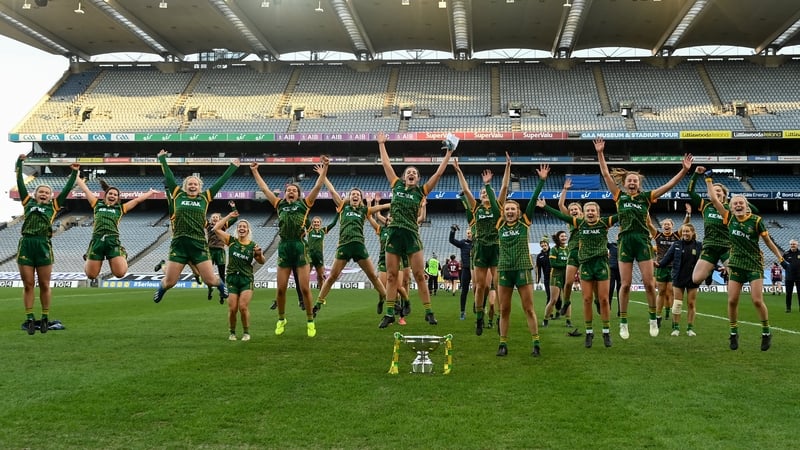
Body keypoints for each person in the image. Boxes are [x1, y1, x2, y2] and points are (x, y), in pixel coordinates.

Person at [595, 138, 692, 339]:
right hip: (625, 241)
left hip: (642, 241)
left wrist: (684, 170)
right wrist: (600, 153)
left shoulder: (646, 197)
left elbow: (668, 185)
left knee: (649, 283)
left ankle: (652, 319)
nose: (632, 182)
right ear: (625, 183)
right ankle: (623, 322)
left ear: (639, 184)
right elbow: (605, 173)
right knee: (625, 284)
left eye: (635, 180)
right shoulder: (618, 196)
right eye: (629, 180)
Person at [376, 131, 454, 328]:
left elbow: (438, 173)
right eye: (408, 172)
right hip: (393, 234)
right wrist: (382, 144)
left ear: (418, 178)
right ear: (404, 177)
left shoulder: (421, 191)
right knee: (392, 277)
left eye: (415, 173)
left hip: (411, 235)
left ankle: (428, 312)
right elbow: (386, 165)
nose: (411, 174)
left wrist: (448, 155)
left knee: (419, 275)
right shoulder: (396, 186)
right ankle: (389, 313)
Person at [705, 176, 788, 351]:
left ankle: (766, 332)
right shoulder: (728, 217)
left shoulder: (756, 221)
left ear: (746, 205)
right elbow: (713, 198)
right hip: (735, 264)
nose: (737, 205)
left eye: (741, 203)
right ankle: (733, 332)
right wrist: (709, 180)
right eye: (734, 203)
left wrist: (781, 259)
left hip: (754, 265)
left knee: (757, 301)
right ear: (731, 207)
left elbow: (768, 242)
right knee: (732, 300)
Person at [250, 156, 329, 337]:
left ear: (298, 194)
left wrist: (325, 168)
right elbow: (264, 188)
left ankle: (310, 320)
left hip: (300, 247)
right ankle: (281, 319)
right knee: (280, 289)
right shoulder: (279, 205)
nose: (291, 192)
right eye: (288, 190)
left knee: (305, 288)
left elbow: (317, 187)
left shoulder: (304, 204)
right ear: (285, 193)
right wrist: (255, 171)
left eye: (294, 190)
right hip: (284, 247)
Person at [152, 149, 240, 304]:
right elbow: (169, 176)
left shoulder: (205, 197)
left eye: (195, 184)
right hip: (179, 244)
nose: (193, 186)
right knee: (170, 282)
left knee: (210, 280)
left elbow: (220, 182)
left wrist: (232, 167)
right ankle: (161, 288)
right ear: (185, 186)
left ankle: (220, 285)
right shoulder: (178, 194)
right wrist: (163, 159)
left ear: (200, 187)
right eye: (190, 184)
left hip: (198, 244)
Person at [538, 194, 618, 349]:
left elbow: (622, 214)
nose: (590, 212)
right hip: (586, 265)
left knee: (603, 300)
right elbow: (561, 214)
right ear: (584, 213)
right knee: (586, 299)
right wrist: (546, 207)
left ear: (598, 213)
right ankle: (589, 332)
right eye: (587, 210)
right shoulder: (579, 223)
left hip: (601, 264)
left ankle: (606, 331)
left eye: (592, 210)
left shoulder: (604, 223)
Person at [15, 154, 79, 334]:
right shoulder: (27, 203)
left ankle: (44, 317)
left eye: (46, 192)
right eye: (40, 192)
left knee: (44, 284)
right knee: (28, 284)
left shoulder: (54, 206)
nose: (43, 194)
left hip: (43, 245)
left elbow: (67, 189)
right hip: (26, 244)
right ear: (35, 194)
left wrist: (74, 174)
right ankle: (29, 318)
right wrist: (19, 163)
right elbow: (19, 181)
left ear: (51, 196)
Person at [452, 153, 511, 335]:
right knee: (479, 287)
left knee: (499, 285)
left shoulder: (498, 206)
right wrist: (459, 171)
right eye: (483, 193)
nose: (486, 194)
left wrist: (508, 166)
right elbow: (466, 190)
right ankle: (479, 318)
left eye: (488, 192)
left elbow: (504, 186)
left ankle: (500, 317)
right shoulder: (476, 208)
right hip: (479, 250)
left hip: (496, 249)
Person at [494, 164, 549, 357]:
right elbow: (496, 199)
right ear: (503, 212)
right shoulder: (499, 223)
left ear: (518, 212)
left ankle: (536, 343)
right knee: (504, 308)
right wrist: (486, 186)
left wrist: (541, 181)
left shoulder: (525, 222)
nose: (509, 211)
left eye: (513, 209)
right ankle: (502, 343)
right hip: (504, 270)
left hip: (523, 269)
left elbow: (533, 200)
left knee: (528, 308)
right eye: (507, 208)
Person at [312, 181, 389, 316]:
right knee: (332, 277)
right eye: (352, 194)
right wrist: (323, 177)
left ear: (360, 199)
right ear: (349, 198)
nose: (355, 196)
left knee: (373, 276)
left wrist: (394, 203)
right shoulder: (343, 207)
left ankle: (389, 302)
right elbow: (333, 191)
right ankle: (318, 303)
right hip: (344, 246)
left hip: (359, 246)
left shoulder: (364, 210)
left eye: (357, 195)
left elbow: (381, 207)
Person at [74, 176, 157, 280]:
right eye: (111, 193)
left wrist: (150, 192)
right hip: (97, 240)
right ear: (106, 195)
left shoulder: (121, 209)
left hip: (112, 240)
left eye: (115, 195)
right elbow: (86, 190)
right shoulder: (96, 204)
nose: (112, 195)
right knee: (91, 275)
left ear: (118, 198)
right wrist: (76, 176)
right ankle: (89, 255)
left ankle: (122, 253)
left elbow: (137, 200)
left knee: (120, 273)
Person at [686, 165, 757, 286]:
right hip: (710, 246)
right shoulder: (705, 206)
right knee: (696, 279)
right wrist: (696, 174)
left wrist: (744, 203)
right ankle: (712, 266)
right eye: (713, 190)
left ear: (724, 194)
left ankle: (733, 300)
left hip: (727, 247)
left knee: (736, 280)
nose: (715, 192)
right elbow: (690, 191)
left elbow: (754, 210)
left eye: (718, 190)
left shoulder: (731, 208)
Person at [212, 211, 266, 341]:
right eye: (239, 226)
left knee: (243, 307)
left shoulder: (253, 246)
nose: (241, 228)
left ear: (248, 230)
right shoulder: (231, 241)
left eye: (244, 227)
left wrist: (259, 254)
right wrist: (229, 216)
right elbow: (216, 228)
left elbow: (262, 261)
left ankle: (246, 333)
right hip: (231, 279)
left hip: (246, 279)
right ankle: (232, 333)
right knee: (232, 308)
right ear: (237, 229)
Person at [658, 223, 702, 337]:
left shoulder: (699, 245)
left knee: (691, 303)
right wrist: (657, 264)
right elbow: (666, 258)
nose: (685, 234)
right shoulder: (676, 244)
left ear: (692, 233)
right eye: (683, 232)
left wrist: (717, 267)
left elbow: (706, 260)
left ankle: (690, 328)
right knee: (677, 304)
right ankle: (676, 328)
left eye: (688, 231)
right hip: (678, 278)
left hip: (693, 278)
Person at [650, 217, 680, 327]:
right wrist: (646, 211)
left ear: (672, 225)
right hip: (661, 266)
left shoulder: (676, 236)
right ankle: (658, 316)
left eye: (668, 224)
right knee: (661, 292)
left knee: (671, 292)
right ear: (662, 226)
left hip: (673, 267)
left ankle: (673, 316)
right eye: (664, 224)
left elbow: (685, 225)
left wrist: (688, 215)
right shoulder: (658, 235)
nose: (666, 226)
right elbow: (649, 224)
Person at [205, 201, 238, 303]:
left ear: (220, 219)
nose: (215, 218)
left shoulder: (223, 226)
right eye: (213, 217)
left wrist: (233, 207)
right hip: (210, 250)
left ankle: (221, 293)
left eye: (217, 217)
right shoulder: (207, 225)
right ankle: (210, 289)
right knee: (208, 273)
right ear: (211, 219)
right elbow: (200, 217)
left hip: (220, 251)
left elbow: (235, 218)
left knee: (221, 273)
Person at [305, 214, 338, 295]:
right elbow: (306, 218)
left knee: (320, 276)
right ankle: (304, 293)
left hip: (319, 256)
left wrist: (337, 213)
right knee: (305, 275)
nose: (316, 223)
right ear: (312, 223)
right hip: (309, 256)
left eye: (318, 222)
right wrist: (307, 209)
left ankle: (321, 295)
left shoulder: (323, 231)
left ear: (320, 223)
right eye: (315, 222)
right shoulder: (310, 230)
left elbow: (333, 223)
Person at [543, 231, 569, 327]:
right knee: (553, 300)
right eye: (562, 236)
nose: (564, 237)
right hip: (556, 276)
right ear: (558, 238)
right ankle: (546, 319)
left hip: (566, 276)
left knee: (567, 299)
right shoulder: (554, 249)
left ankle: (568, 321)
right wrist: (566, 265)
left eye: (565, 236)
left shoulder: (568, 249)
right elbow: (553, 264)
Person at [449, 223, 474, 323]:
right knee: (464, 291)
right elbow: (451, 240)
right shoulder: (463, 243)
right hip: (466, 270)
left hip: (476, 269)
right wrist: (453, 231)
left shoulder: (477, 243)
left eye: (470, 233)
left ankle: (479, 306)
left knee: (479, 289)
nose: (469, 234)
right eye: (467, 233)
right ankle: (462, 311)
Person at [783, 239, 800, 312]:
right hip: (789, 277)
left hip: (799, 277)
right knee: (788, 293)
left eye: (794, 244)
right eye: (791, 244)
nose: (793, 245)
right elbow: (781, 261)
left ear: (797, 245)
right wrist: (786, 267)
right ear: (790, 245)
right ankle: (788, 308)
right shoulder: (786, 254)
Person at [607, 233, 621, 317]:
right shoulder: (612, 245)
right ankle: (608, 308)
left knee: (620, 290)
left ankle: (621, 310)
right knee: (610, 289)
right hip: (612, 269)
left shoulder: (626, 246)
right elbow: (604, 241)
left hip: (621, 270)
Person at [535, 236, 551, 308]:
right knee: (549, 295)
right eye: (542, 245)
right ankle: (549, 313)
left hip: (555, 277)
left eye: (545, 244)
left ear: (548, 244)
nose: (544, 246)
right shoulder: (539, 256)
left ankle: (557, 311)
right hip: (547, 278)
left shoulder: (553, 252)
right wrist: (538, 280)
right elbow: (538, 269)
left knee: (557, 296)